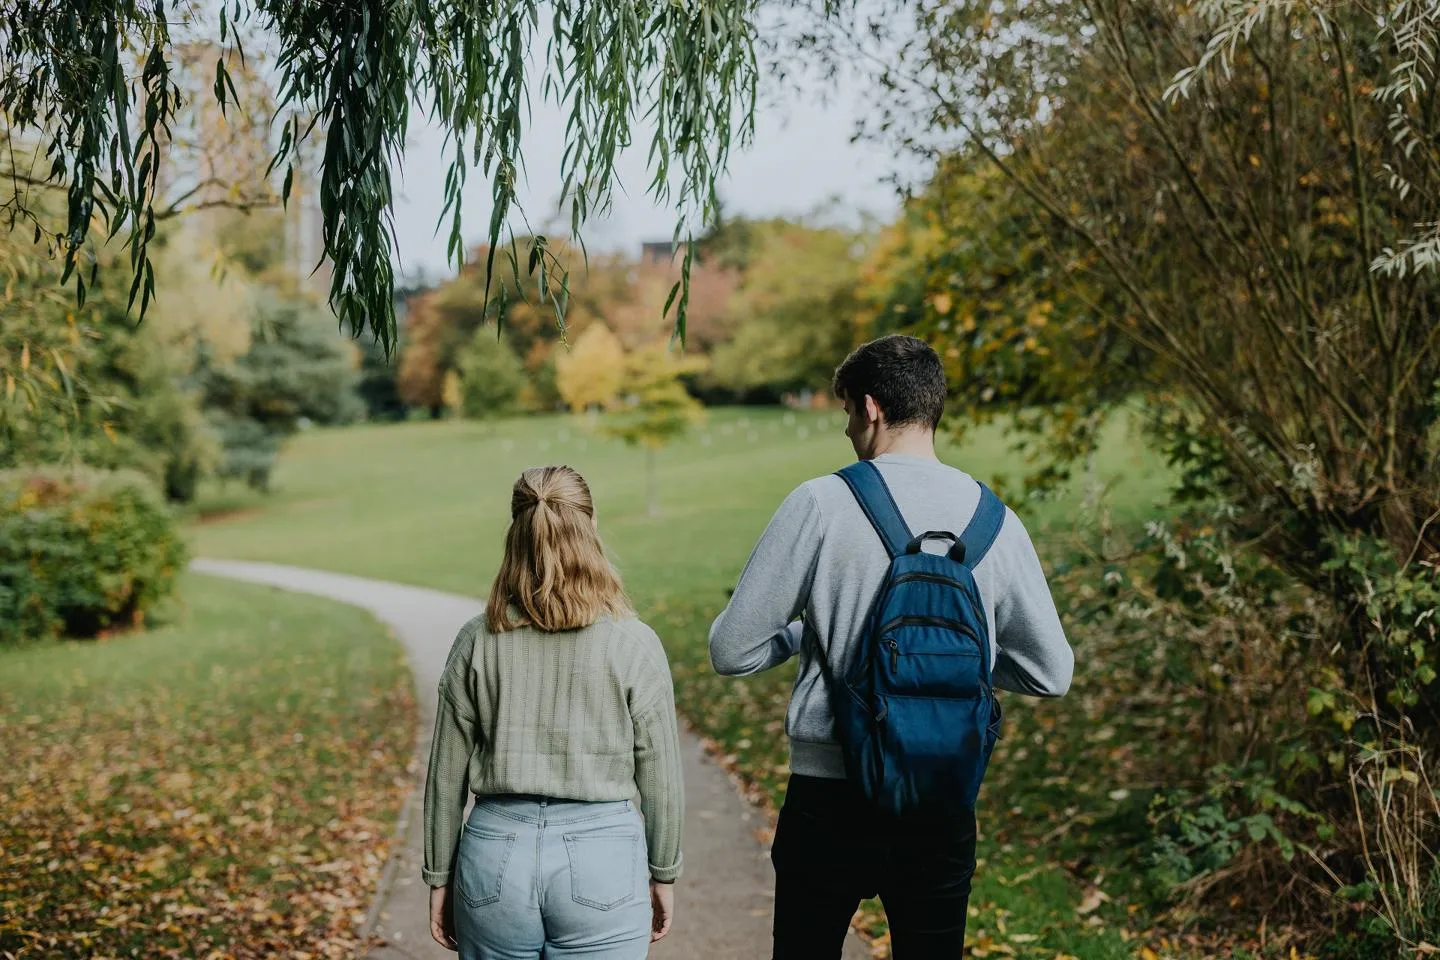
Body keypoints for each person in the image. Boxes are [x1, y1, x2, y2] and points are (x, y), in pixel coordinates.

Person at [709, 335, 1074, 959]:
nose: (849, 430)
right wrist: (950, 669)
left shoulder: (821, 503)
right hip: (942, 793)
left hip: (829, 792)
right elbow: (1051, 671)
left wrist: (806, 633)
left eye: (848, 411)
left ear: (871, 407)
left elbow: (732, 650)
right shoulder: (995, 519)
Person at [423, 465, 684, 959]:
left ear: (515, 535)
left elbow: (444, 778)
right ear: (590, 529)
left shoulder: (477, 641)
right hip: (602, 859)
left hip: (494, 856)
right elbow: (661, 777)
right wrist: (663, 871)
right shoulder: (633, 643)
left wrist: (439, 875)